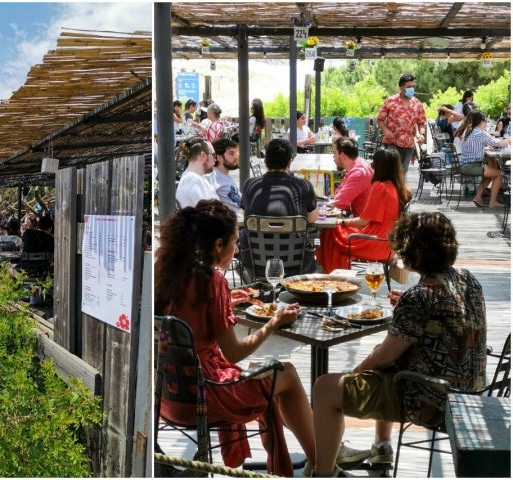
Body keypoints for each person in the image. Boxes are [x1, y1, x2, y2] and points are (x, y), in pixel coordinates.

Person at [310, 211, 487, 477]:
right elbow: (444, 319)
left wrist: (352, 374)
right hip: (471, 390)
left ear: (412, 250)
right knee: (387, 359)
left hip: (433, 401)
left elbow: (383, 357)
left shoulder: (420, 297)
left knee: (325, 388)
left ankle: (322, 473)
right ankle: (382, 447)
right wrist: (407, 305)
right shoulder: (467, 279)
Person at [155, 200, 308, 476]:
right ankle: (320, 463)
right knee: (286, 374)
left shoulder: (165, 273)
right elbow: (235, 353)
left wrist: (226, 302)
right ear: (217, 244)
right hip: (204, 396)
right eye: (234, 242)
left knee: (268, 375)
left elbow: (190, 315)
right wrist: (274, 322)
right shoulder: (212, 282)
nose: (236, 249)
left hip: (168, 398)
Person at [316, 149, 412, 273]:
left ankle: (333, 274)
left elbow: (363, 221)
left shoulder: (380, 186)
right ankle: (334, 272)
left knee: (331, 231)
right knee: (336, 230)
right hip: (388, 244)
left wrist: (341, 221)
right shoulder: (398, 188)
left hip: (375, 243)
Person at [240, 138, 318, 276]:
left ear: (265, 161)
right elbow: (312, 218)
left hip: (256, 264)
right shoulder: (303, 186)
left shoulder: (250, 185)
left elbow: (244, 213)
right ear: (289, 162)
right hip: (296, 265)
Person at [454, 109, 511, 208]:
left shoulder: (469, 130)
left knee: (491, 170)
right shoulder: (480, 133)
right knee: (498, 174)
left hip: (465, 164)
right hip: (470, 166)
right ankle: (492, 202)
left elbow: (471, 146)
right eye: (485, 121)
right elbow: (500, 144)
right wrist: (510, 137)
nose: (485, 123)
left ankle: (478, 197)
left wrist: (483, 148)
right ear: (481, 121)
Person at [376, 73, 427, 174]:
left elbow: (421, 123)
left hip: (409, 145)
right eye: (408, 87)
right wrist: (386, 130)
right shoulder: (390, 101)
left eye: (413, 86)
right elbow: (380, 119)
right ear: (401, 88)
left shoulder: (417, 104)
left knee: (402, 172)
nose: (411, 89)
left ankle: (399, 190)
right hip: (392, 142)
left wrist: (421, 134)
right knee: (392, 172)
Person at [330, 136, 374, 217]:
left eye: (334, 153)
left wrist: (320, 206)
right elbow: (340, 192)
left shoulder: (358, 173)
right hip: (362, 221)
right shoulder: (358, 164)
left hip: (365, 227)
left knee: (327, 228)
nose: (333, 156)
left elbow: (339, 202)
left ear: (342, 156)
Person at [175, 136, 219, 209]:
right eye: (213, 155)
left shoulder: (195, 178)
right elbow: (208, 213)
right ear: (203, 156)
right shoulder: (192, 180)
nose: (215, 159)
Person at [212, 137, 242, 214]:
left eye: (236, 152)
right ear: (219, 158)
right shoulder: (214, 177)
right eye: (231, 153)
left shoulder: (225, 176)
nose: (236, 156)